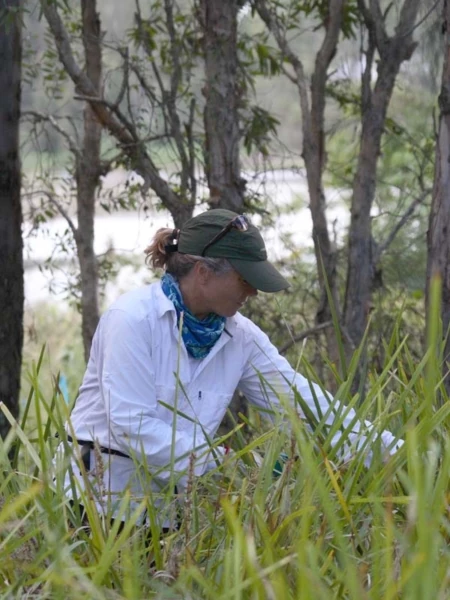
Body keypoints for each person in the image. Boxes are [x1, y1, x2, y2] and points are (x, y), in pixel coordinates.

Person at [60, 209, 401, 529]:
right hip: (95, 506)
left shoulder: (240, 336)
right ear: (204, 273)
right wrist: (224, 465)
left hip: (170, 514)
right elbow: (130, 425)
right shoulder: (132, 320)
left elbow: (302, 403)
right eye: (244, 279)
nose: (253, 291)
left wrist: (396, 454)